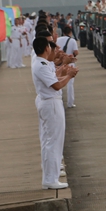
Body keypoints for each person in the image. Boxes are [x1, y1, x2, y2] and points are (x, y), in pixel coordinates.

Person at [31, 37, 78, 189]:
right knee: (53, 141)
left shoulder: (42, 63)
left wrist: (65, 72)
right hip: (50, 102)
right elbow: (56, 85)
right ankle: (51, 179)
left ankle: (51, 177)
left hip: (49, 101)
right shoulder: (41, 64)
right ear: (46, 48)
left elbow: (54, 79)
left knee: (50, 141)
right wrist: (69, 76)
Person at [57, 26, 79, 108]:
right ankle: (70, 103)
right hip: (70, 64)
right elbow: (76, 51)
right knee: (70, 84)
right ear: (70, 32)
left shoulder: (58, 40)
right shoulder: (72, 40)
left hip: (60, 63)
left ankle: (59, 100)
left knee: (58, 80)